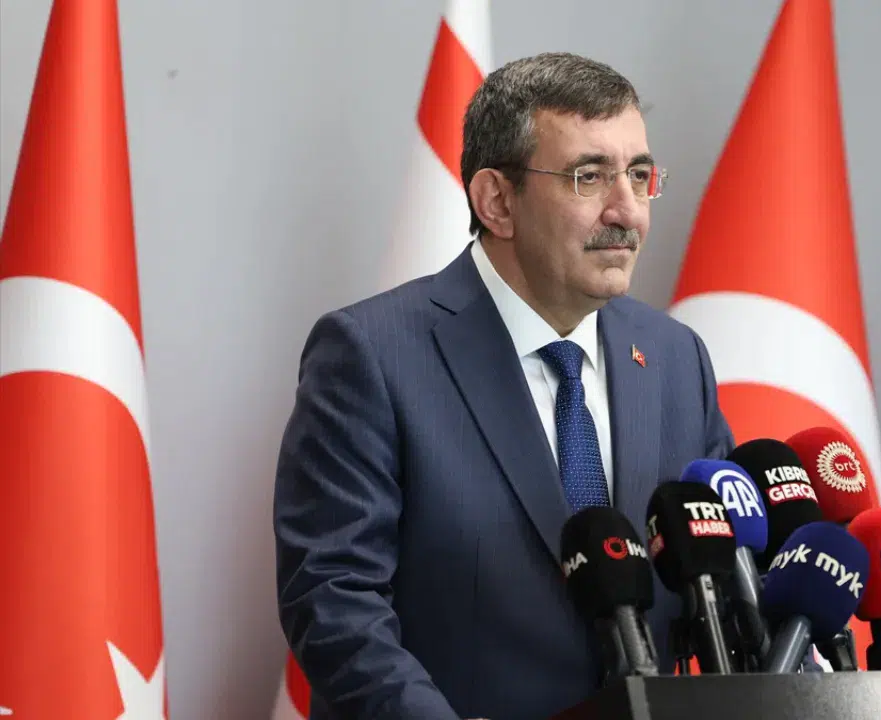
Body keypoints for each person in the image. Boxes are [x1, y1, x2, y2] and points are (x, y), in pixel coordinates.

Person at [273, 52, 735, 720]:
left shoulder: (674, 357)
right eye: (589, 176)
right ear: (497, 201)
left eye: (639, 176)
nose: (627, 211)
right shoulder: (373, 354)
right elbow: (333, 600)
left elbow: (722, 575)